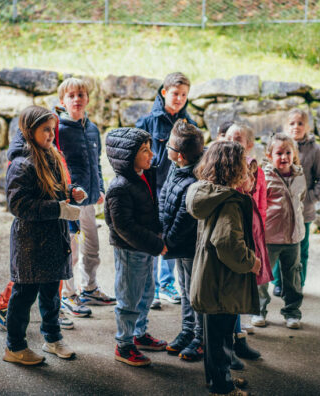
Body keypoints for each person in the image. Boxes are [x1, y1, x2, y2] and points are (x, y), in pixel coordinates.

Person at [2, 106, 81, 365]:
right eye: (45, 129)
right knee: (24, 295)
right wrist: (58, 208)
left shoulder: (51, 155)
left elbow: (56, 190)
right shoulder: (22, 164)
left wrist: (72, 192)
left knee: (51, 293)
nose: (51, 134)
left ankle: (52, 338)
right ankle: (14, 346)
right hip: (30, 242)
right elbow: (19, 205)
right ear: (29, 130)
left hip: (52, 238)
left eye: (52, 129)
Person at [186, 141, 260, 396]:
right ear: (233, 168)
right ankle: (223, 387)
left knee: (214, 337)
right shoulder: (229, 202)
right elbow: (227, 243)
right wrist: (252, 262)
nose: (247, 170)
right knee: (222, 338)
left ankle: (217, 378)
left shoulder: (209, 194)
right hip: (222, 282)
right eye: (243, 165)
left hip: (210, 279)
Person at [105, 127, 169, 367]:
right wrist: (156, 243)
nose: (151, 154)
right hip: (131, 251)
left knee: (146, 293)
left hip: (146, 249)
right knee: (129, 298)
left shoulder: (143, 176)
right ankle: (124, 344)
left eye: (150, 148)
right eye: (145, 150)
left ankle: (139, 333)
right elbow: (124, 227)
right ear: (127, 155)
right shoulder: (120, 187)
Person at [54, 77, 116, 317]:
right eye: (71, 96)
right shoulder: (58, 129)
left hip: (90, 200)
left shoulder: (91, 128)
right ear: (62, 101)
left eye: (81, 94)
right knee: (71, 250)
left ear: (88, 98)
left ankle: (89, 288)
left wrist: (99, 187)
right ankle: (68, 294)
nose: (77, 99)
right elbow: (58, 165)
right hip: (71, 202)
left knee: (93, 247)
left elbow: (96, 163)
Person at [136, 72, 197, 307]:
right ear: (164, 92)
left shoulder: (187, 124)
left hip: (176, 190)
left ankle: (167, 284)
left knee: (171, 237)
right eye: (175, 93)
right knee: (152, 238)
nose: (179, 98)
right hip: (153, 189)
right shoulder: (148, 123)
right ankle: (148, 286)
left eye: (184, 95)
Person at [158, 121, 205, 361]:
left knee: (194, 292)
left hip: (188, 245)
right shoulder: (175, 167)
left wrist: (168, 240)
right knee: (184, 290)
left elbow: (185, 217)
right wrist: (160, 230)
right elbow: (164, 194)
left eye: (170, 145)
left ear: (182, 155)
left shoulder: (197, 177)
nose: (166, 148)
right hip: (175, 243)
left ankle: (200, 337)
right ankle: (187, 330)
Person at [271, 109, 320, 296]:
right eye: (292, 123)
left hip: (303, 212)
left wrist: (309, 198)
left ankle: (297, 284)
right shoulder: (277, 148)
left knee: (300, 251)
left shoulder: (314, 150)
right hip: (279, 212)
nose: (296, 127)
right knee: (277, 248)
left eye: (300, 123)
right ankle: (279, 283)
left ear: (307, 127)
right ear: (285, 126)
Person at [224, 123, 268, 366]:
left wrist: (258, 232)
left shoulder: (255, 169)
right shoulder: (223, 166)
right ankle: (231, 341)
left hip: (249, 232)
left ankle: (238, 338)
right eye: (229, 137)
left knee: (244, 284)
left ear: (249, 144)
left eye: (238, 138)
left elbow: (260, 202)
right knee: (232, 287)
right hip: (232, 233)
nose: (232, 141)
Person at [258, 133, 306, 330]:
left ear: (294, 154)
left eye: (288, 152)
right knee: (262, 277)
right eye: (279, 153)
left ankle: (292, 312)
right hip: (270, 237)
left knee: (293, 276)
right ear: (269, 155)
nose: (284, 157)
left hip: (293, 237)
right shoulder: (264, 176)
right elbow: (259, 205)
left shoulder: (299, 175)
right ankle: (258, 311)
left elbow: (299, 201)